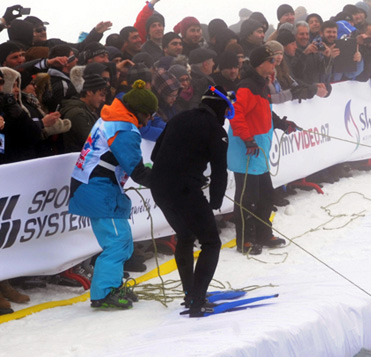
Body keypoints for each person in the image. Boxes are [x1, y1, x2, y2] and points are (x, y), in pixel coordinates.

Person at [68, 80, 157, 310]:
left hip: (99, 184)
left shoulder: (113, 116)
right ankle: (103, 293)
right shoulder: (123, 128)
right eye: (148, 116)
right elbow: (136, 170)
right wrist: (166, 179)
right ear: (140, 112)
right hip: (96, 187)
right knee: (117, 241)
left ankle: (113, 284)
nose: (148, 121)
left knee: (123, 240)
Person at [150, 86, 232, 317]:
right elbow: (219, 171)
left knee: (186, 236)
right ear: (219, 109)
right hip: (184, 189)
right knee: (211, 242)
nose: (225, 117)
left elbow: (156, 155)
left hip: (159, 186)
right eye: (226, 111)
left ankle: (190, 293)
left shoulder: (179, 118)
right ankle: (197, 300)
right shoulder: (216, 131)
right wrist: (216, 201)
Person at [228, 45, 299, 255]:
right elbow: (235, 114)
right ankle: (245, 240)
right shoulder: (246, 87)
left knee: (266, 195)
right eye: (271, 60)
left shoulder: (261, 85)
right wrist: (248, 139)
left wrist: (281, 124)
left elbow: (265, 112)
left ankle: (263, 234)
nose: (274, 63)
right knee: (247, 199)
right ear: (260, 64)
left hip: (259, 152)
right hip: (246, 152)